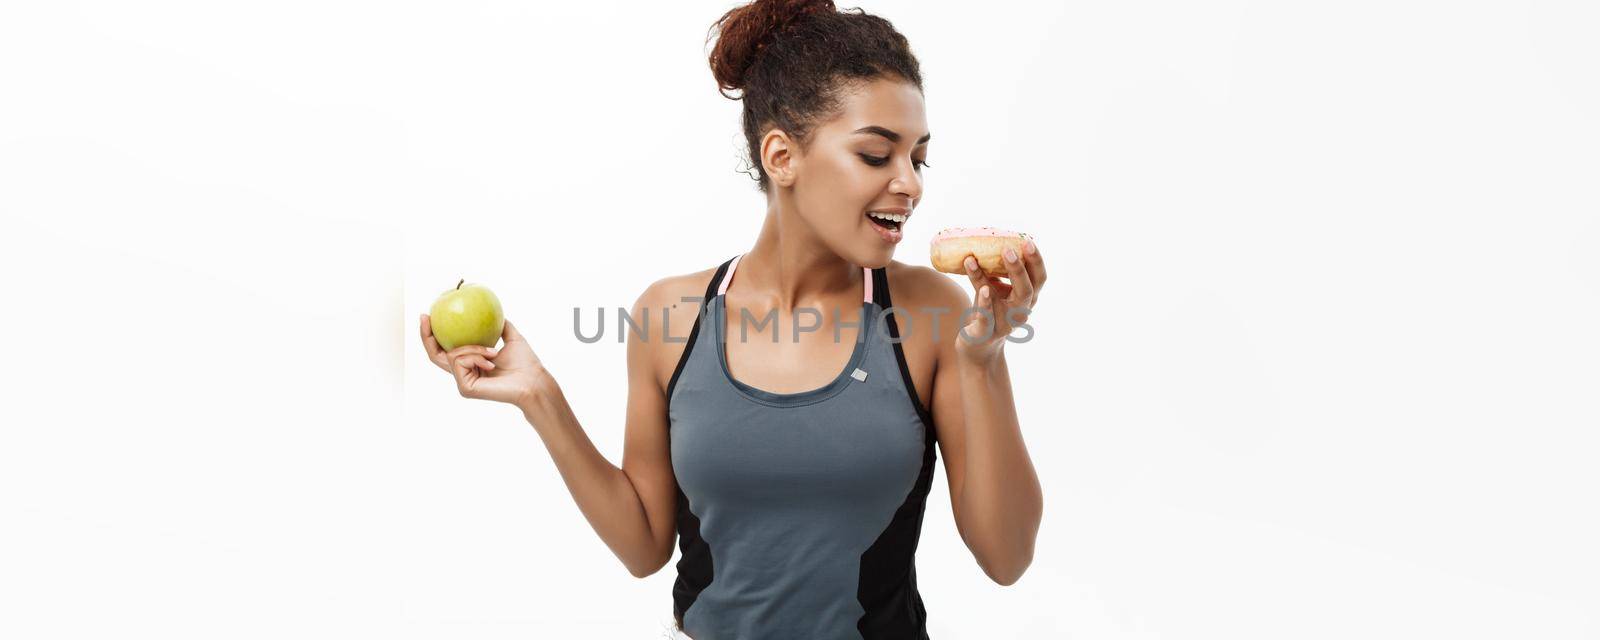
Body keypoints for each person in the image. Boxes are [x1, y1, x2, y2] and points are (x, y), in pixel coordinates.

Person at [420, 1, 1047, 637]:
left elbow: (1007, 557)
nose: (909, 184)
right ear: (781, 156)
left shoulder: (932, 312)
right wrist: (539, 397)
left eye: (918, 158)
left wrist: (984, 360)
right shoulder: (670, 315)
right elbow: (643, 546)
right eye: (876, 155)